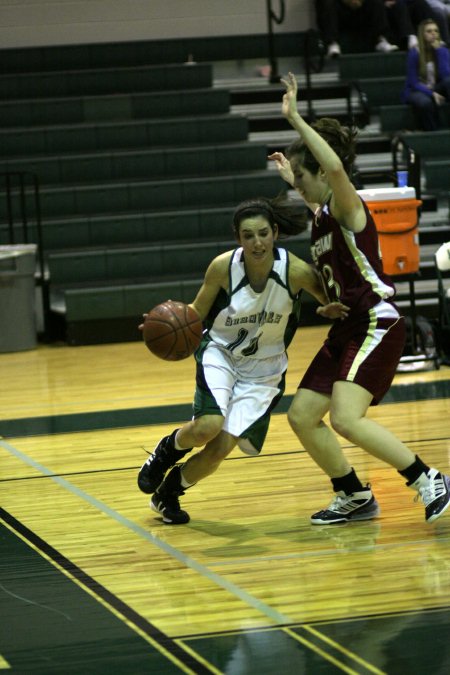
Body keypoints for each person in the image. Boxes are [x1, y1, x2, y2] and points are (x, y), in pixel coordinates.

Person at [268, 72, 450, 525]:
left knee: (347, 419)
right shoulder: (322, 215)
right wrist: (293, 179)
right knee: (303, 415)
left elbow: (331, 172)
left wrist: (294, 119)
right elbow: (317, 198)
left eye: (305, 177)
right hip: (347, 325)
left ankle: (428, 478)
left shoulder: (350, 206)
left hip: (376, 323)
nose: (302, 187)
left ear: (320, 171)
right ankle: (353, 494)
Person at [137, 197, 346, 524]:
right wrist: (160, 323)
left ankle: (168, 494)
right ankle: (166, 451)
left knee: (220, 448)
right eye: (248, 235)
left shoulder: (296, 271)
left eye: (263, 233)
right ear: (238, 239)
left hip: (265, 370)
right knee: (207, 426)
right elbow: (195, 313)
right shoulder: (223, 267)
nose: (257, 242)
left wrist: (331, 307)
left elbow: (333, 300)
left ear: (275, 232)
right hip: (220, 354)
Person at [402, 19, 450, 130]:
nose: (433, 33)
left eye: (436, 31)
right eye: (429, 31)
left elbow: (446, 75)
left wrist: (439, 51)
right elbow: (413, 83)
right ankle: (433, 133)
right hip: (417, 90)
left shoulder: (442, 50)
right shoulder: (414, 53)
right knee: (426, 102)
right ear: (422, 34)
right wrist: (432, 93)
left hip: (435, 87)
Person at [314, 0, 399, 58]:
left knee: (376, 2)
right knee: (327, 3)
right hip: (340, 11)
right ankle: (332, 43)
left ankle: (381, 40)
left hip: (361, 9)